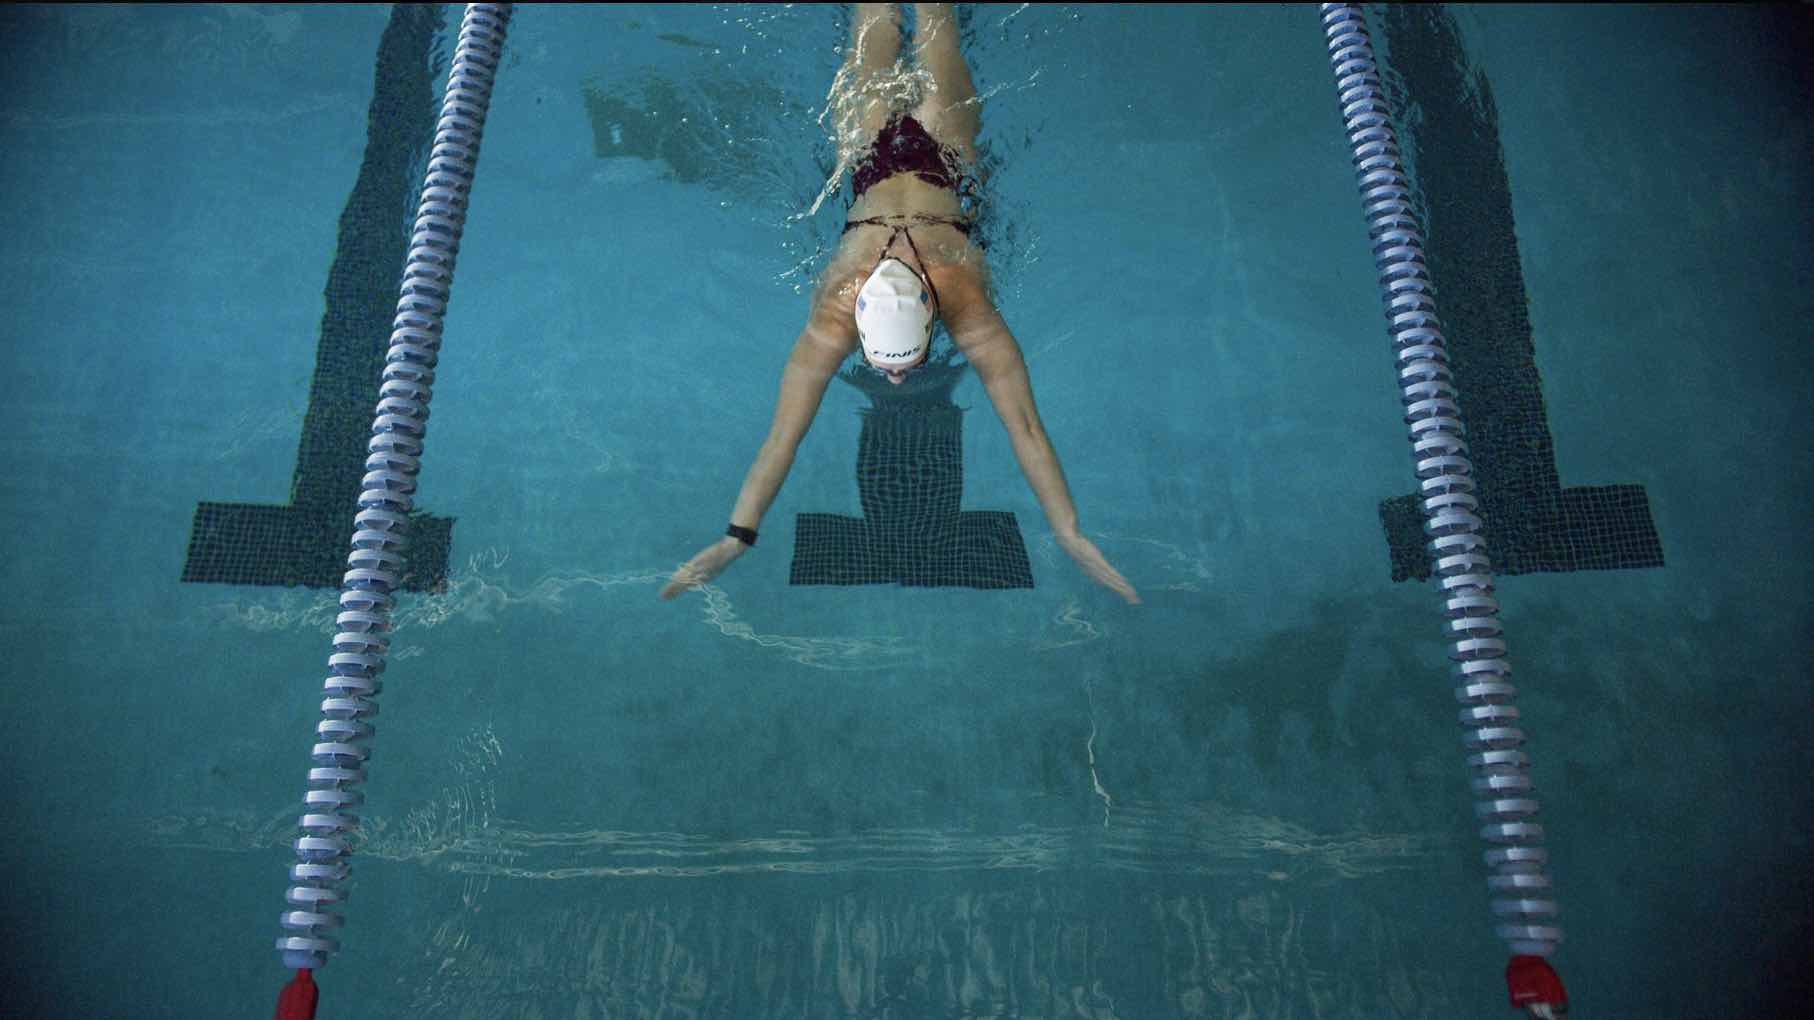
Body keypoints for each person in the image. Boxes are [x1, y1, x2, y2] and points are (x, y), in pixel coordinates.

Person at [660, 3, 1139, 605]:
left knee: (914, 22)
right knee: (892, 20)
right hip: (872, 154)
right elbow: (1024, 427)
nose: (891, 374)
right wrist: (1065, 529)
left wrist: (740, 535)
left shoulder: (860, 306)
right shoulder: (942, 298)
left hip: (942, 155)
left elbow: (785, 436)